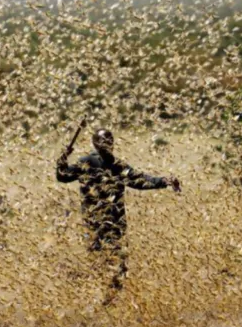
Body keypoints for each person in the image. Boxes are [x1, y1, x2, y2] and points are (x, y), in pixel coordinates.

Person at [55, 128, 181, 298]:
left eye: (110, 139)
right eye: (103, 140)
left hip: (116, 224)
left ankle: (110, 301)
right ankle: (95, 298)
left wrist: (164, 181)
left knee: (119, 264)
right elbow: (63, 176)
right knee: (99, 261)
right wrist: (62, 159)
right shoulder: (86, 163)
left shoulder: (118, 166)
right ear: (95, 144)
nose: (107, 143)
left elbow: (140, 180)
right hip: (95, 223)